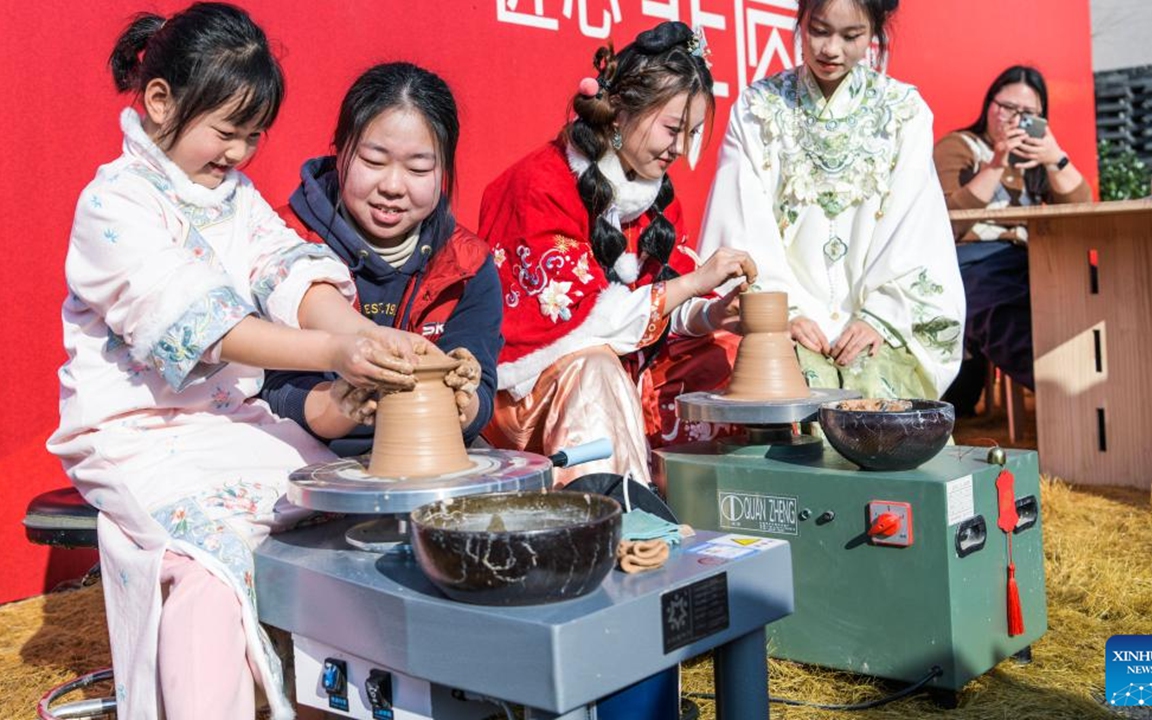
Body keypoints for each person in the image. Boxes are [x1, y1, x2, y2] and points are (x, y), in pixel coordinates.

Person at [45, 5, 421, 719]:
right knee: (215, 561)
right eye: (228, 131)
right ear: (160, 102)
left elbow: (289, 273)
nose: (241, 154)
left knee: (334, 510)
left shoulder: (233, 198)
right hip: (134, 433)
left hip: (226, 420)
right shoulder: (114, 205)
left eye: (254, 136)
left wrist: (363, 338)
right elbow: (210, 329)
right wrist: (336, 351)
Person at [480, 21, 757, 487]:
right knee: (596, 369)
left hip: (624, 373)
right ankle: (613, 526)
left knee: (724, 359)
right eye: (672, 129)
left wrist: (713, 317)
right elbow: (585, 323)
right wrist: (691, 284)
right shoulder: (539, 183)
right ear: (623, 110)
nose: (680, 149)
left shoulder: (656, 193)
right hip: (532, 396)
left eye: (691, 134)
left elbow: (658, 308)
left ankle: (716, 515)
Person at [699, 0, 965, 402]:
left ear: (875, 32)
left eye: (851, 36)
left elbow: (915, 230)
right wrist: (781, 315)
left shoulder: (904, 112)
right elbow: (742, 223)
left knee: (878, 400)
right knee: (782, 387)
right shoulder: (758, 109)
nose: (831, 50)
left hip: (879, 320)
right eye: (819, 31)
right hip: (785, 320)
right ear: (800, 19)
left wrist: (881, 317)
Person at [261, 62, 501, 454]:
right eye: (373, 161)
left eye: (418, 168)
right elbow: (267, 387)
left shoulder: (468, 265)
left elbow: (481, 395)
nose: (392, 186)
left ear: (444, 170)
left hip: (435, 451)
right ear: (339, 151)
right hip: (298, 453)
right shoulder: (276, 242)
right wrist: (344, 404)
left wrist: (461, 396)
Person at [933, 65, 1092, 415]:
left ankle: (1109, 379)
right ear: (989, 104)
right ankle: (1072, 395)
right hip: (976, 258)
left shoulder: (1038, 158)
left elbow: (1082, 211)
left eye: (1028, 114)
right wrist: (996, 163)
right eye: (1007, 107)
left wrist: (1056, 160)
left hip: (1033, 259)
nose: (1014, 118)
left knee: (1094, 286)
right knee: (1002, 308)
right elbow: (945, 223)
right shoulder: (959, 146)